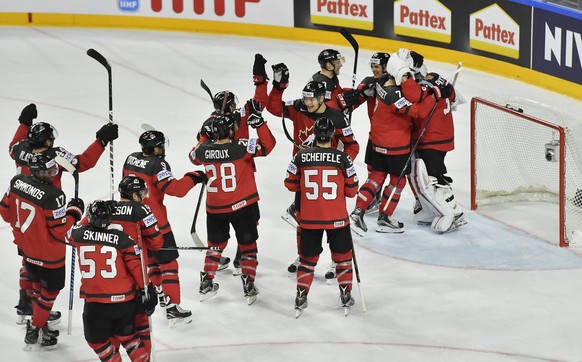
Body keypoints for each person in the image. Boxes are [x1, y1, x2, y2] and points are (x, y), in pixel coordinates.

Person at [8, 104, 118, 324]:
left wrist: (24, 123)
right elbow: (82, 163)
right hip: (50, 212)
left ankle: (25, 304)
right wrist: (101, 141)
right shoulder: (54, 155)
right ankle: (38, 313)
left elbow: (13, 145)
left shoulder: (20, 149)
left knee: (28, 259)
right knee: (43, 264)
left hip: (21, 212)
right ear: (47, 142)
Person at [267, 68, 359, 274]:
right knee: (302, 219)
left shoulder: (337, 117)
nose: (307, 103)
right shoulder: (298, 108)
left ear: (321, 98)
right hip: (305, 177)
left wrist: (342, 165)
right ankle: (304, 255)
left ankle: (338, 259)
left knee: (335, 222)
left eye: (311, 100)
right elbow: (273, 108)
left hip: (331, 180)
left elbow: (353, 146)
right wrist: (278, 86)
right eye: (305, 99)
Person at [193, 53, 271, 275]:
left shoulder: (211, 123)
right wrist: (260, 79)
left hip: (231, 177)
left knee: (245, 220)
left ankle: (232, 256)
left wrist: (260, 78)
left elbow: (200, 151)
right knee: (248, 219)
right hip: (241, 173)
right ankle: (243, 257)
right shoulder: (232, 117)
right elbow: (260, 102)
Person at [190, 107, 276, 305]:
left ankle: (207, 281)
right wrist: (260, 124)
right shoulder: (242, 147)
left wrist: (203, 136)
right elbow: (268, 145)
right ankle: (248, 282)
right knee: (248, 246)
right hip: (242, 207)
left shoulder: (202, 150)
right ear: (230, 132)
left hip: (215, 209)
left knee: (215, 246)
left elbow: (192, 156)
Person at [0, 153, 84, 350]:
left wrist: (29, 233)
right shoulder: (54, 195)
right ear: (37, 171)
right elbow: (60, 232)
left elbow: (4, 212)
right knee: (49, 292)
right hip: (50, 256)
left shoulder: (16, 181)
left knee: (38, 286)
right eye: (47, 170)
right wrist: (74, 213)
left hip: (27, 250)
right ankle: (36, 329)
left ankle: (40, 321)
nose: (52, 173)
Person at [122, 130, 207, 325]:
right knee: (168, 264)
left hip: (134, 222)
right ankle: (172, 306)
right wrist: (194, 177)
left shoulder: (130, 159)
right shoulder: (158, 164)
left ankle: (160, 294)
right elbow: (174, 189)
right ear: (156, 148)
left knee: (151, 263)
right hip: (156, 223)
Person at [349, 56, 436, 235]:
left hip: (377, 142)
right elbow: (419, 112)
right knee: (397, 181)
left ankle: (358, 213)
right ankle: (384, 218)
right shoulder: (395, 95)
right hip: (396, 146)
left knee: (376, 177)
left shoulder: (381, 83)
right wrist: (433, 94)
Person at [283, 117, 359, 317]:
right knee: (342, 258)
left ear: (314, 134)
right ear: (333, 134)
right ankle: (345, 293)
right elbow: (352, 191)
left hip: (308, 219)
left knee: (307, 260)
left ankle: (301, 295)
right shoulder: (344, 158)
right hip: (338, 219)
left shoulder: (300, 157)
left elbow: (290, 184)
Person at [67, 200, 155, 362]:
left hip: (96, 303)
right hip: (124, 302)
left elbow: (66, 232)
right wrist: (147, 288)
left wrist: (77, 212)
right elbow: (137, 267)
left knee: (96, 341)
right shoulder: (124, 239)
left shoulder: (77, 235)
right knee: (129, 337)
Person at [107, 175, 163, 349]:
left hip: (108, 275)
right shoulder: (142, 210)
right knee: (141, 326)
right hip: (136, 276)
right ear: (134, 195)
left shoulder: (106, 208)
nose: (144, 196)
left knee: (113, 329)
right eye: (141, 193)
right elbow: (157, 243)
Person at [409, 72, 466, 232]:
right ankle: (432, 210)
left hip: (431, 140)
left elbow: (417, 109)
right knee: (430, 176)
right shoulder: (443, 83)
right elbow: (454, 98)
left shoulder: (424, 88)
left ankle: (455, 212)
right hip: (443, 137)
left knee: (434, 179)